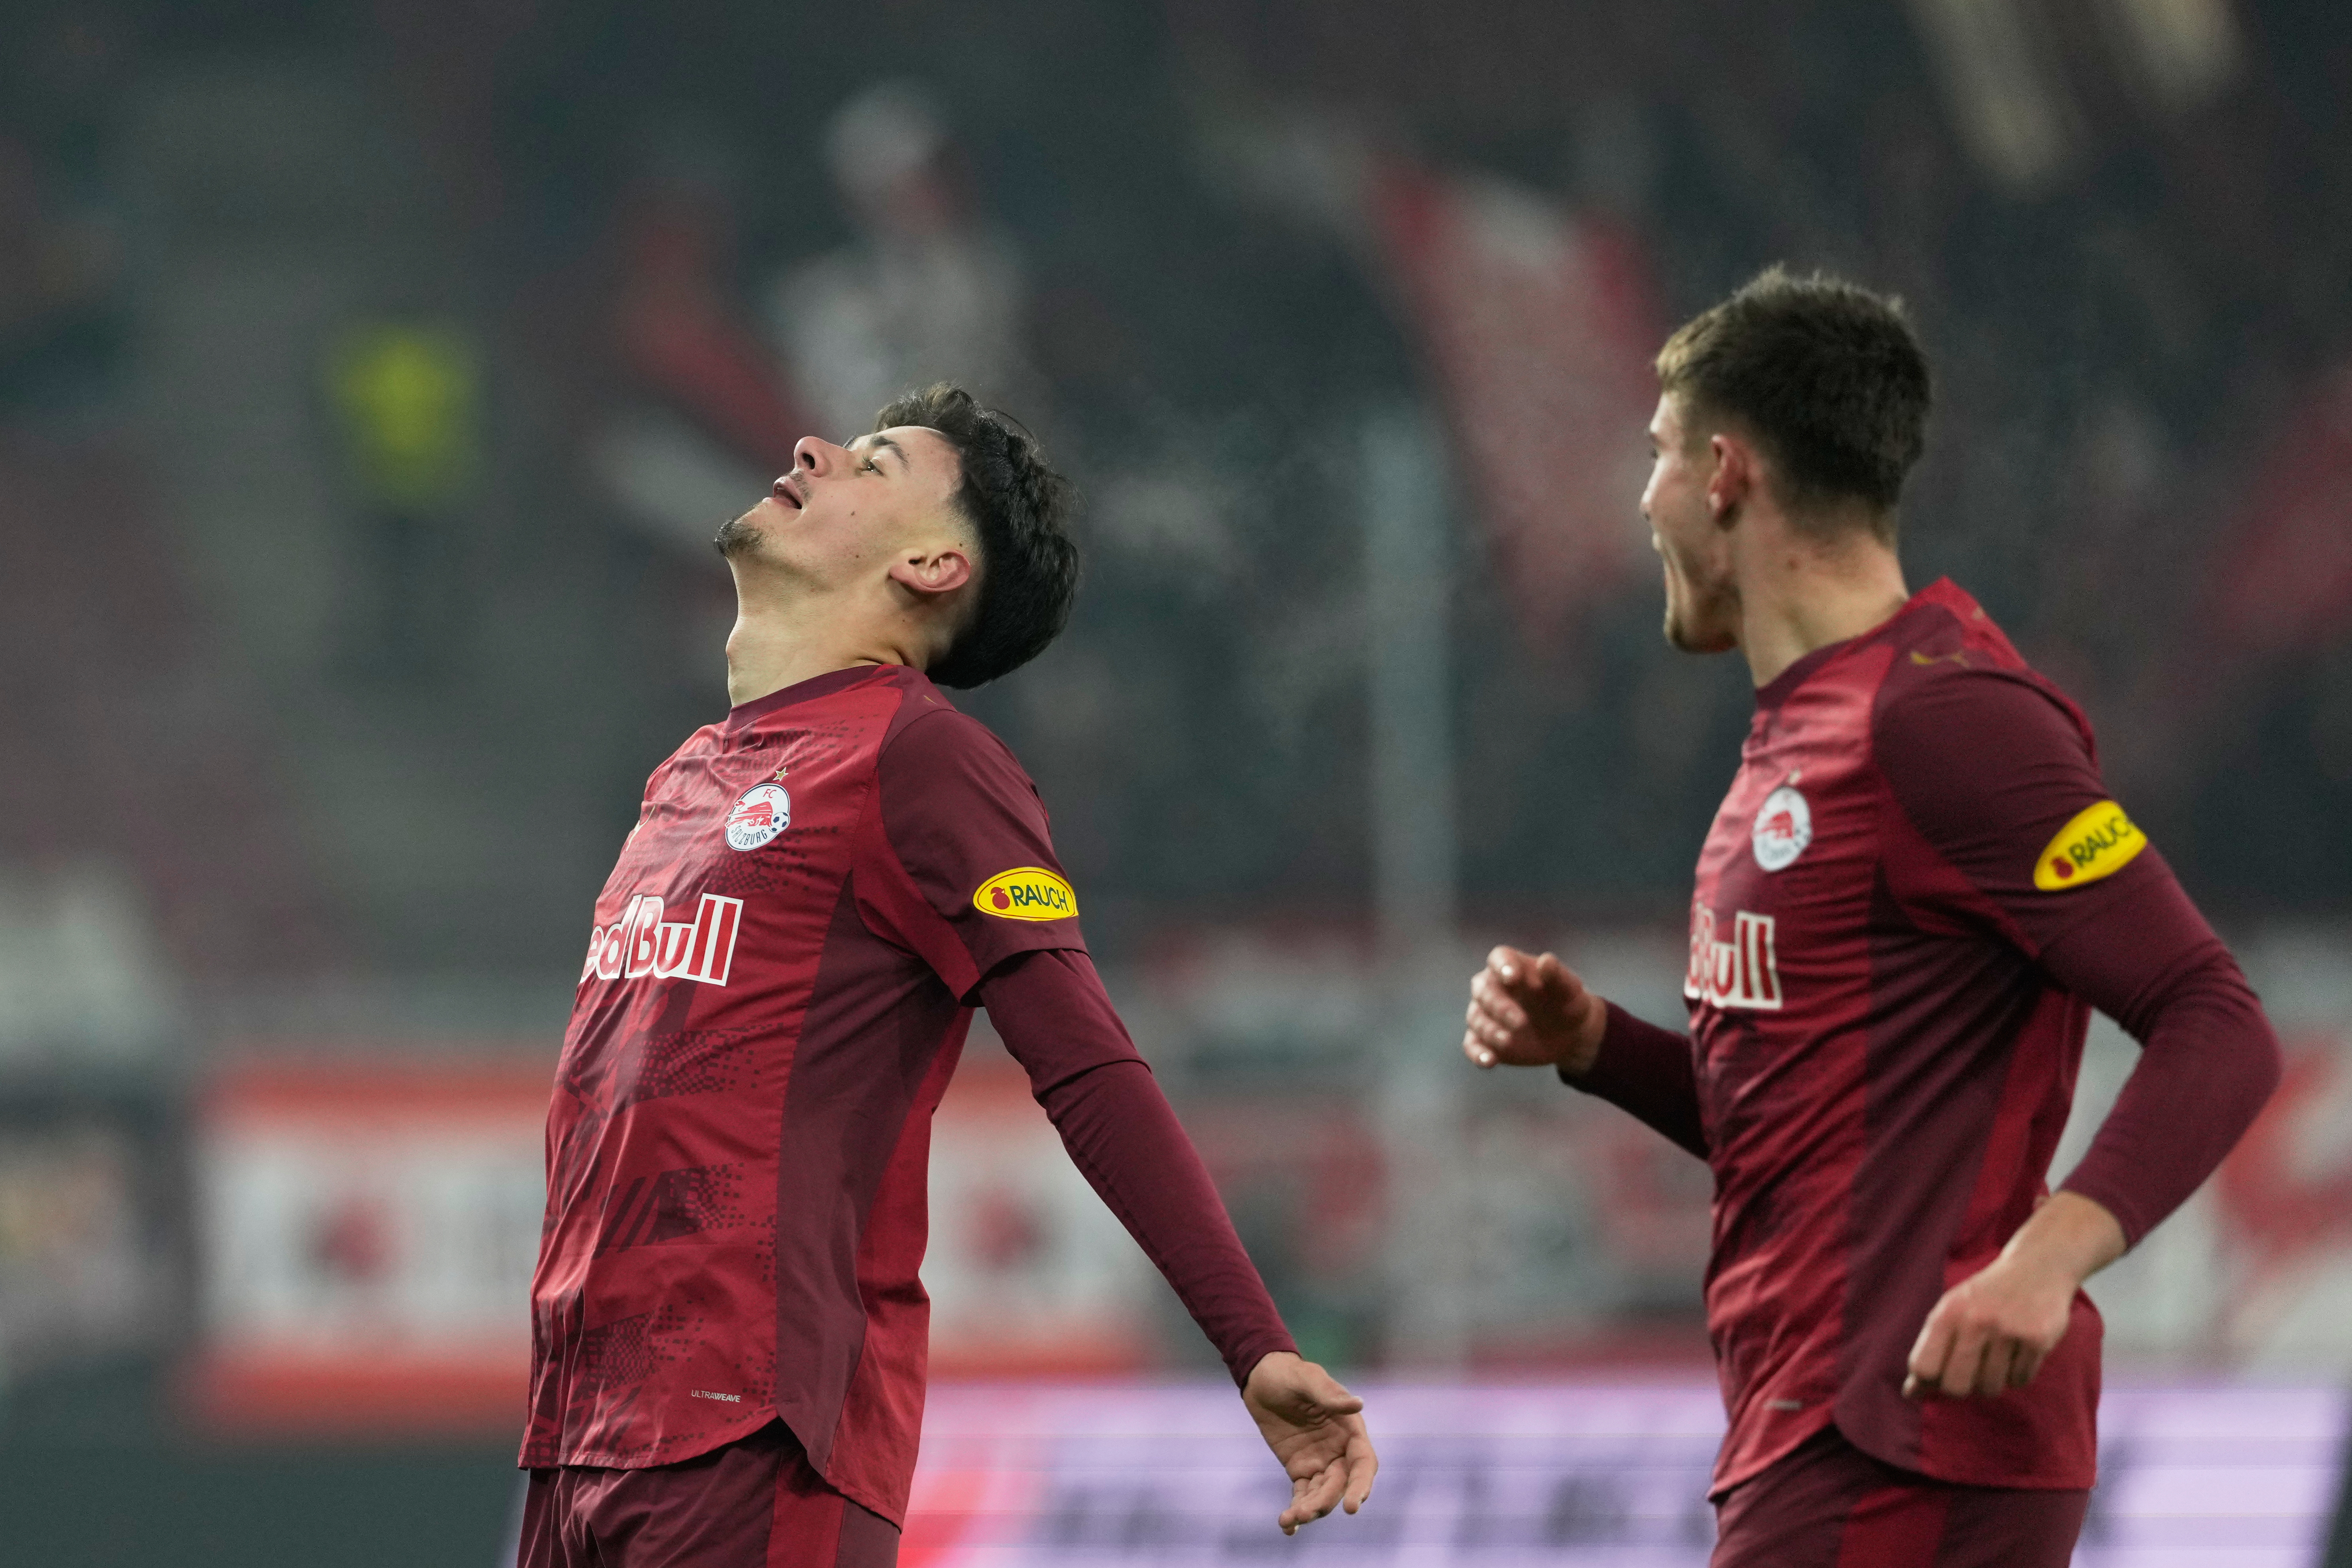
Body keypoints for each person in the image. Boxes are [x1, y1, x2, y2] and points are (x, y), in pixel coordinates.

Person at [1461, 269, 2281, 1568]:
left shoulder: (1945, 722)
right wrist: (1598, 1048)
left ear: (1726, 472)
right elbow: (1806, 1131)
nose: (1645, 502)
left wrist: (2048, 1256)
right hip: (1824, 1431)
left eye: (1658, 457)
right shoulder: (1801, 732)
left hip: (1906, 1444)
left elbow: (2217, 1019)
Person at [522, 383, 1376, 1566]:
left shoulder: (923, 761)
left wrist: (1253, 1342)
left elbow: (1088, 1064)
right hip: (578, 1441)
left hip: (752, 1443)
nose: (814, 448)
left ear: (931, 566)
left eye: (873, 464)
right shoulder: (687, 777)